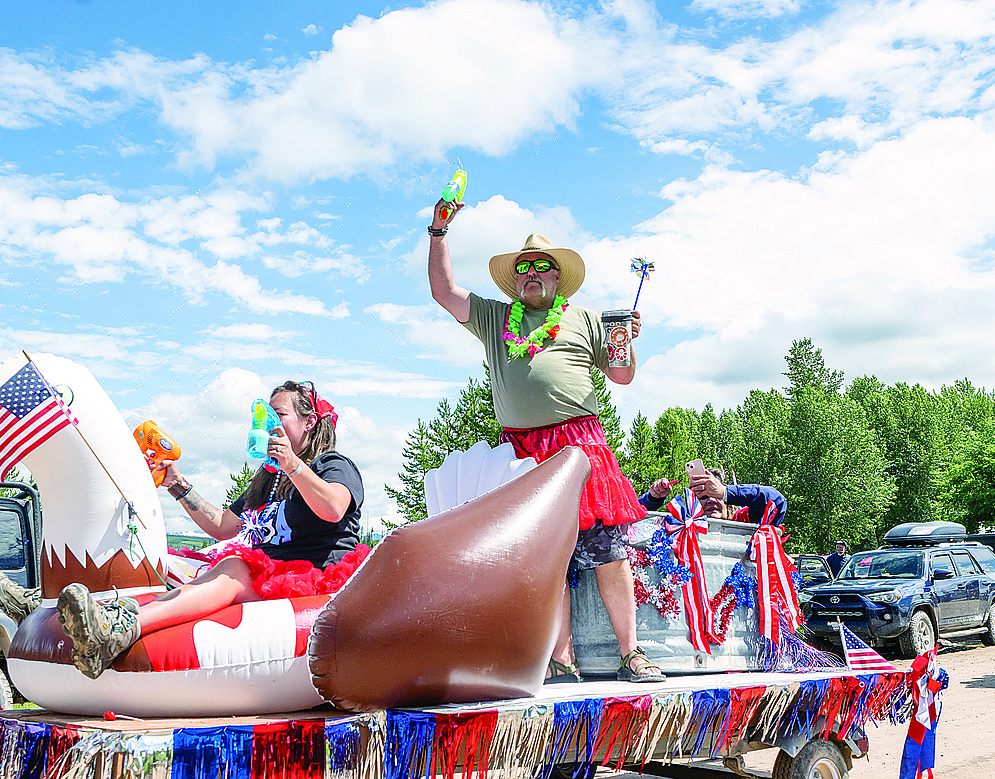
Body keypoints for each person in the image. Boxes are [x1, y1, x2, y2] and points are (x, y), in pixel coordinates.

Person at [427, 205, 663, 684]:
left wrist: (629, 339)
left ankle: (631, 653)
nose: (531, 274)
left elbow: (621, 375)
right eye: (523, 268)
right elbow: (444, 292)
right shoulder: (495, 319)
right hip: (522, 452)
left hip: (579, 443)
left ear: (557, 277)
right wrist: (438, 231)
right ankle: (559, 658)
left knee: (607, 549)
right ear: (516, 281)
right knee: (545, 555)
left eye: (541, 267)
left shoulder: (587, 320)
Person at [55, 380, 365, 679]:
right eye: (265, 414)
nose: (268, 421)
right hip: (267, 577)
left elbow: (333, 508)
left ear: (309, 422)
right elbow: (222, 526)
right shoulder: (268, 481)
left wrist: (292, 464)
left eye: (279, 414)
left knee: (233, 566)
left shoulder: (334, 465)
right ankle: (84, 613)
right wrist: (176, 485)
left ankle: (119, 629)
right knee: (176, 563)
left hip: (316, 577)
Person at [640, 468, 788, 525]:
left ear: (727, 502)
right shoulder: (681, 528)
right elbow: (631, 516)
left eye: (715, 495)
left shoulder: (747, 521)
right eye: (703, 497)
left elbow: (777, 501)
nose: (711, 500)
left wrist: (725, 492)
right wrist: (653, 498)